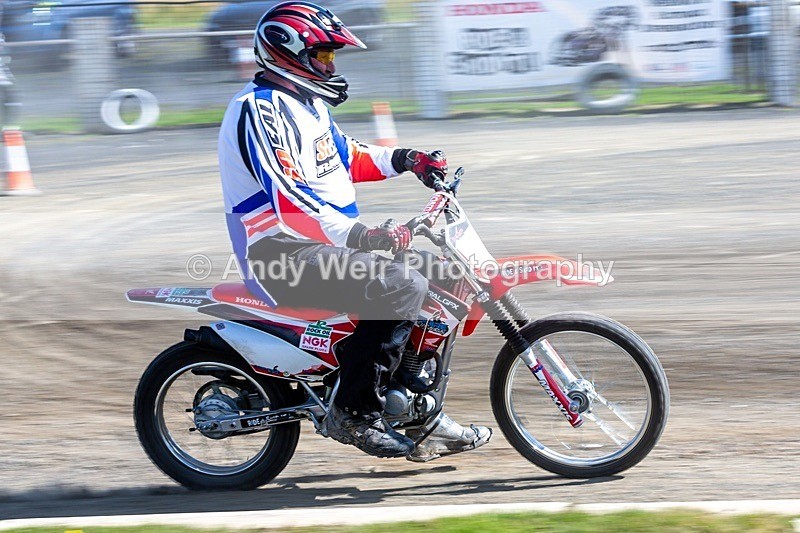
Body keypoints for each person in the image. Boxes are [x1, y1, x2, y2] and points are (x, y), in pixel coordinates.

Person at [218, 1, 490, 460]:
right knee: (400, 284)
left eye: (331, 56)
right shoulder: (259, 110)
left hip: (320, 245)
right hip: (280, 253)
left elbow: (347, 157)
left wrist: (407, 160)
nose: (331, 65)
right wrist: (365, 236)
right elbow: (290, 199)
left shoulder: (305, 105)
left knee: (444, 275)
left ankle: (418, 413)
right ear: (288, 53)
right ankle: (355, 412)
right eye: (323, 55)